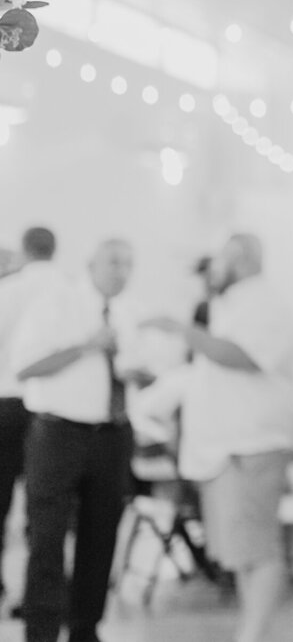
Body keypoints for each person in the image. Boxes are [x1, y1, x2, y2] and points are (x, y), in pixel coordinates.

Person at [143, 234, 293, 642]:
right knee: (242, 552)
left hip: (252, 444)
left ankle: (254, 633)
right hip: (228, 445)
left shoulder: (266, 304)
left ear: (243, 260)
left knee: (259, 548)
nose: (214, 267)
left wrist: (183, 331)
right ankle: (252, 630)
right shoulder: (232, 304)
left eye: (221, 259)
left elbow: (244, 357)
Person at [11, 239, 138, 642]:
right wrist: (87, 347)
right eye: (114, 262)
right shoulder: (58, 303)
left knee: (101, 535)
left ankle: (86, 627)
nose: (122, 272)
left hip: (112, 434)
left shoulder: (129, 313)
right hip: (59, 434)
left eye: (128, 265)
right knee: (47, 536)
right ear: (91, 263)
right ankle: (41, 630)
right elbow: (26, 366)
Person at [0, 226, 62, 615]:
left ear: (24, 251)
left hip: (6, 402)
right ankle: (38, 596)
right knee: (46, 507)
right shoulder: (69, 290)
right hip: (51, 408)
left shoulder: (9, 290)